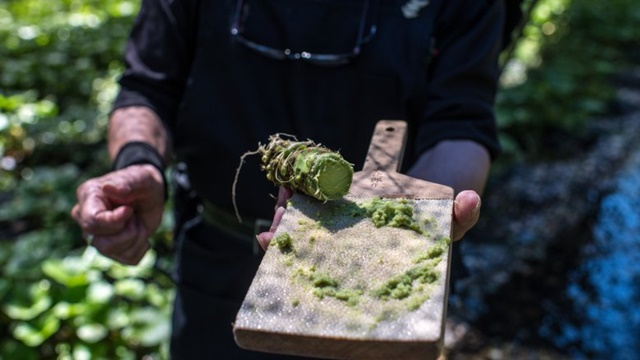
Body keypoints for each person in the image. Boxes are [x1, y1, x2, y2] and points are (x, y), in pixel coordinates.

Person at [72, 0, 515, 358]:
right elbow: (147, 86)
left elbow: (461, 120)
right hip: (218, 263)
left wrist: (421, 217)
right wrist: (139, 161)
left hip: (378, 265)